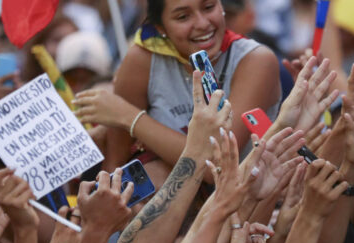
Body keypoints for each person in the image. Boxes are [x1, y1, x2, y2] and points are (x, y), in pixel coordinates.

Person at [73, 0, 282, 185]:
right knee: (152, 175)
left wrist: (130, 118)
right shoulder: (142, 59)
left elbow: (218, 167)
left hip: (246, 211)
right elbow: (114, 170)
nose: (202, 23)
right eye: (183, 16)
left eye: (209, 7)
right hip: (164, 218)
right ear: (160, 26)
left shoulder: (256, 60)